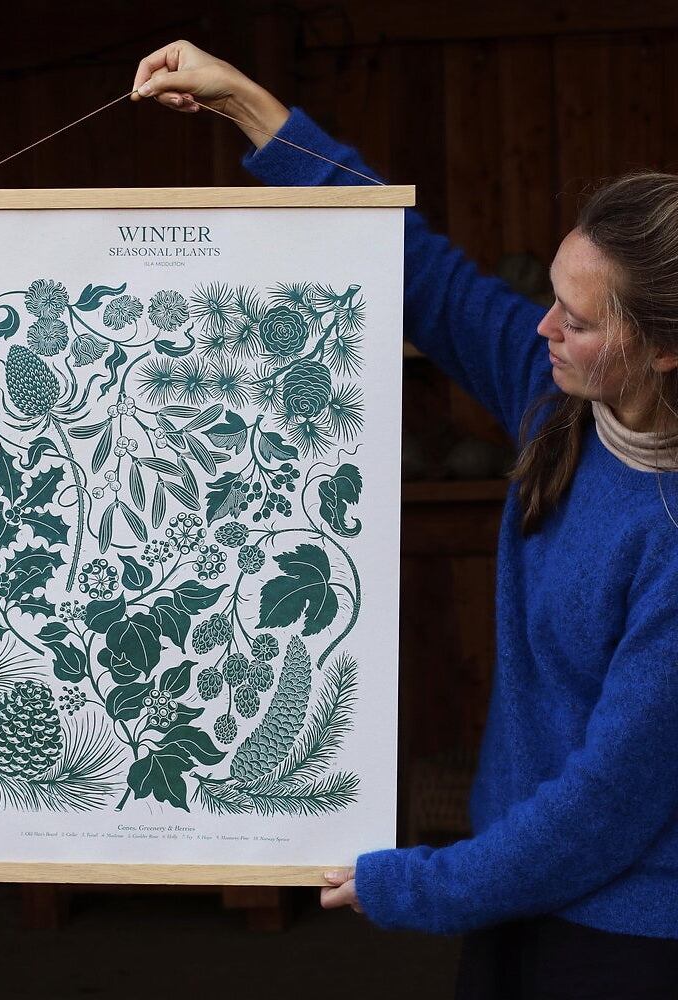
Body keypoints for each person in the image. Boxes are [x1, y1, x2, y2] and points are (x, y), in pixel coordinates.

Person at [132, 41, 678, 997]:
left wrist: (417, 885)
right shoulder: (557, 401)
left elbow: (605, 808)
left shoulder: (666, 534)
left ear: (663, 351)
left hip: (624, 931)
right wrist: (248, 105)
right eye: (551, 298)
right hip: (514, 886)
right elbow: (418, 269)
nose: (543, 327)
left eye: (580, 320)